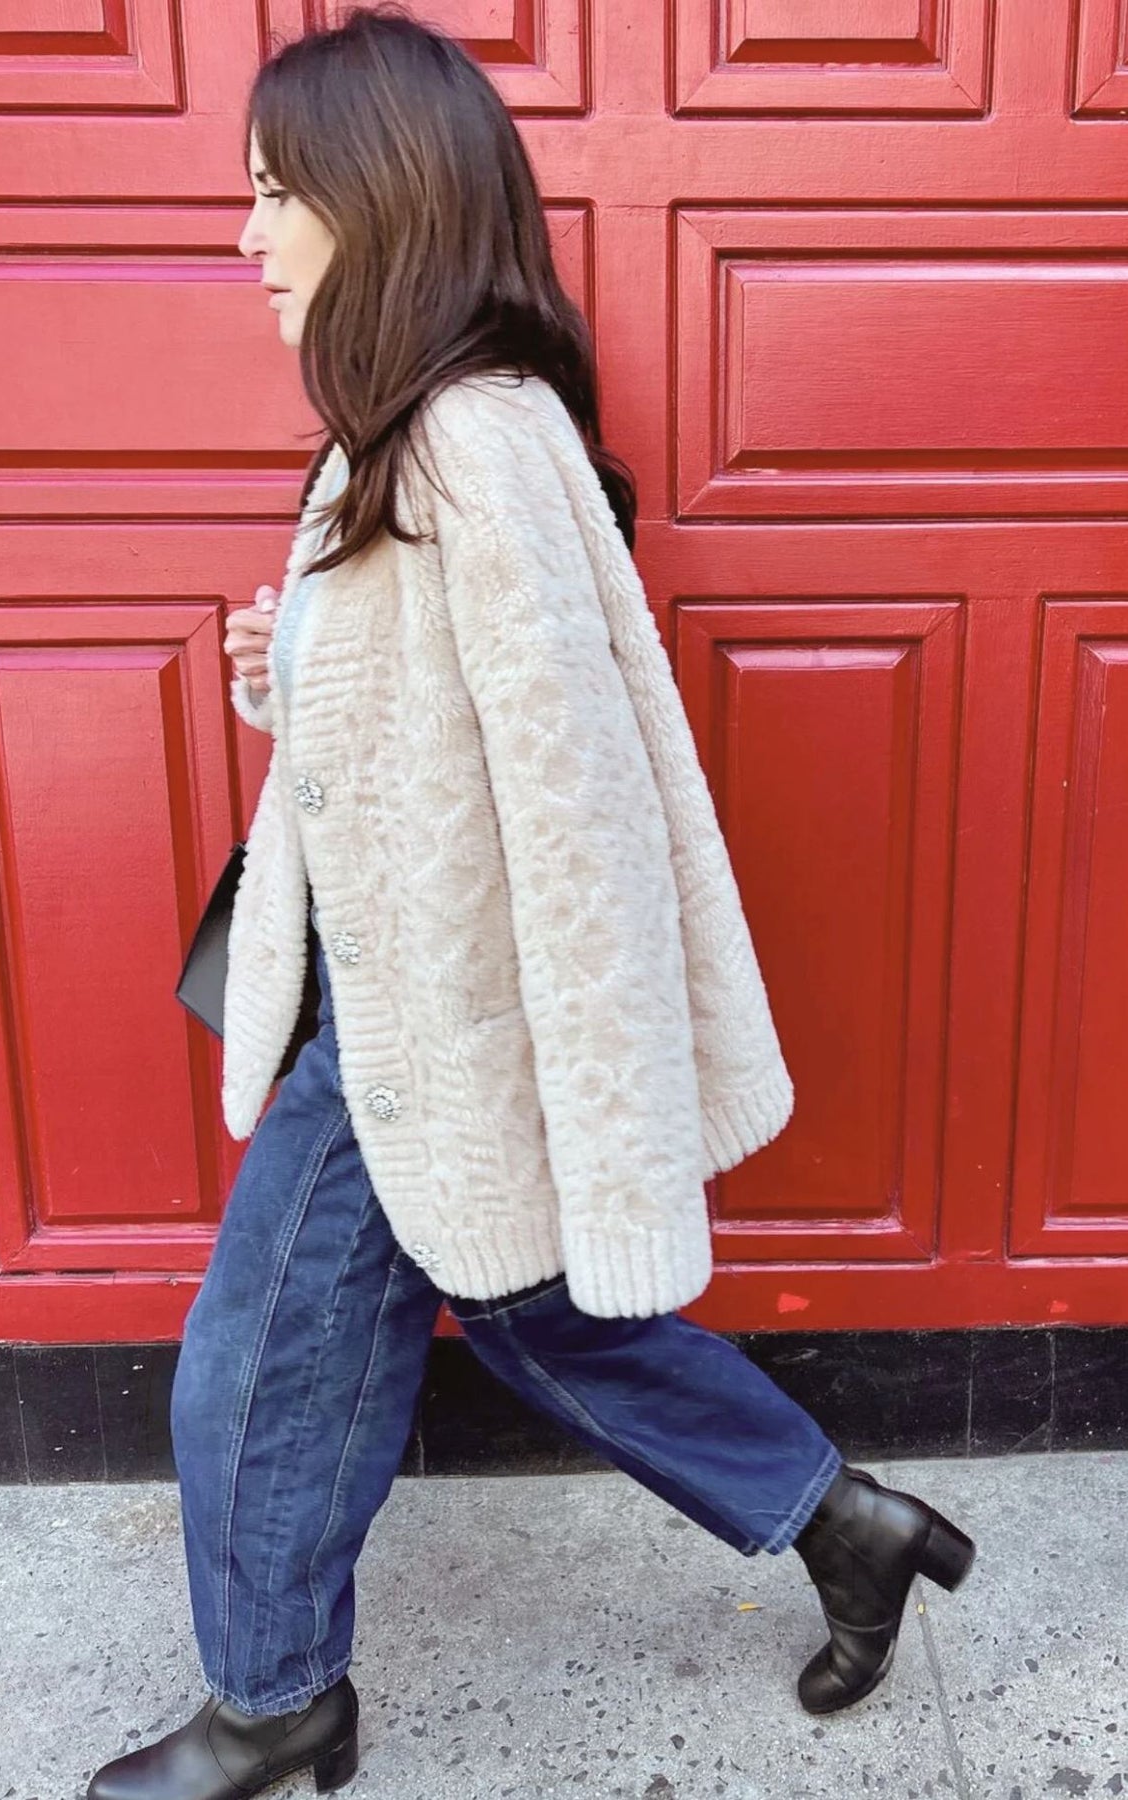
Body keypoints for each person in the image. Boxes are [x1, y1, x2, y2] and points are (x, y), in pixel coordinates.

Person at [86, 9, 975, 1796]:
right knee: (534, 1316)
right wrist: (294, 673)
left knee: (248, 1376)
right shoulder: (403, 435)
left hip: (422, 1024)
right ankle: (843, 1523)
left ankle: (273, 1705)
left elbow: (573, 803)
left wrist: (589, 1081)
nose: (247, 238)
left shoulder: (465, 445)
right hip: (405, 996)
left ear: (379, 199)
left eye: (274, 195)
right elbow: (429, 732)